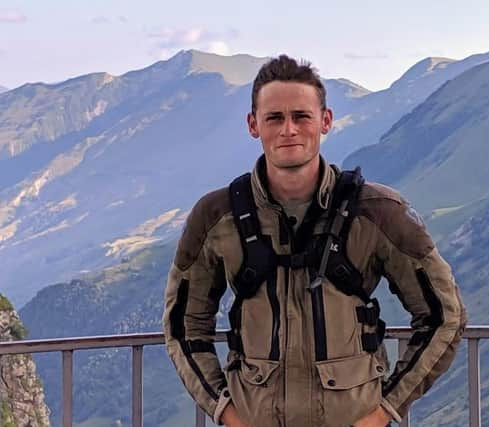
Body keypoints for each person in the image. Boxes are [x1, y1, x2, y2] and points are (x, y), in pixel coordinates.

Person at [162, 54, 466, 427]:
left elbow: (444, 316)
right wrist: (226, 411)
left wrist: (383, 411)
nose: (288, 129)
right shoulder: (214, 217)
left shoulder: (377, 212)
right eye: (274, 117)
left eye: (301, 116)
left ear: (325, 121)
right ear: (253, 124)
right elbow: (183, 326)